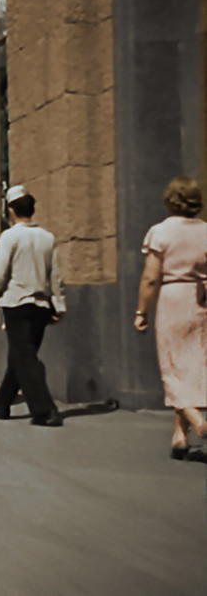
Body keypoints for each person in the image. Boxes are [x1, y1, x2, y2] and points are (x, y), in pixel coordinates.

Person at [134, 175, 207, 459]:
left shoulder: (161, 232)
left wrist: (142, 311)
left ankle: (197, 419)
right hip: (201, 299)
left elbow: (151, 278)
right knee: (194, 365)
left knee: (172, 366)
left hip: (173, 299)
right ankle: (180, 436)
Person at [0, 185, 66, 427]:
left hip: (16, 304)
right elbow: (55, 276)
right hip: (41, 305)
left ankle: (45, 410)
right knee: (22, 356)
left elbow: (0, 272)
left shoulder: (9, 236)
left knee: (25, 357)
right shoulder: (47, 237)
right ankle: (2, 404)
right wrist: (58, 305)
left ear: (10, 210)